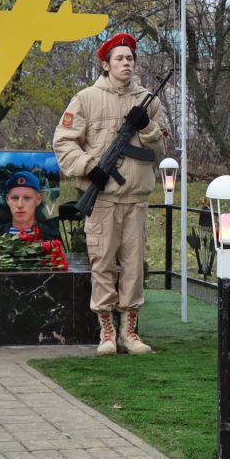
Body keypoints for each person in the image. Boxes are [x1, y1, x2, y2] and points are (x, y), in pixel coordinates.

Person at [52, 33, 169, 356]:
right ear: (105, 64)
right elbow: (63, 142)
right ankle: (106, 331)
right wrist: (90, 167)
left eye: (130, 58)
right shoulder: (86, 98)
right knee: (102, 261)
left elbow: (160, 150)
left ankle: (129, 331)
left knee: (133, 265)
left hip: (136, 197)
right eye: (119, 58)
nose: (126, 63)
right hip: (103, 197)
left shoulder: (149, 100)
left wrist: (146, 127)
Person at [0, 169, 56, 240]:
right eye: (15, 198)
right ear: (8, 200)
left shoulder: (52, 236)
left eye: (27, 198)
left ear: (38, 199)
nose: (20, 205)